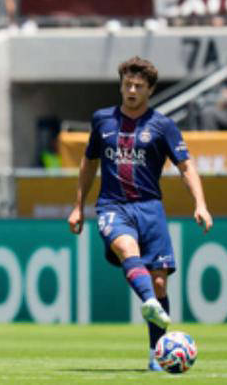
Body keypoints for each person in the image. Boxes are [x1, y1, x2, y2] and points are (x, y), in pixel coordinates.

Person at [68, 57, 213, 371]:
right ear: (121, 86)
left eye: (138, 86)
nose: (131, 90)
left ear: (150, 90)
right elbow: (89, 162)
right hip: (112, 206)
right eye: (127, 85)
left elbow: (186, 167)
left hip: (150, 209)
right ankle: (148, 302)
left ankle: (155, 354)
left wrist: (200, 204)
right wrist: (79, 206)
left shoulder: (163, 126)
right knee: (125, 248)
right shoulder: (102, 120)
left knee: (159, 283)